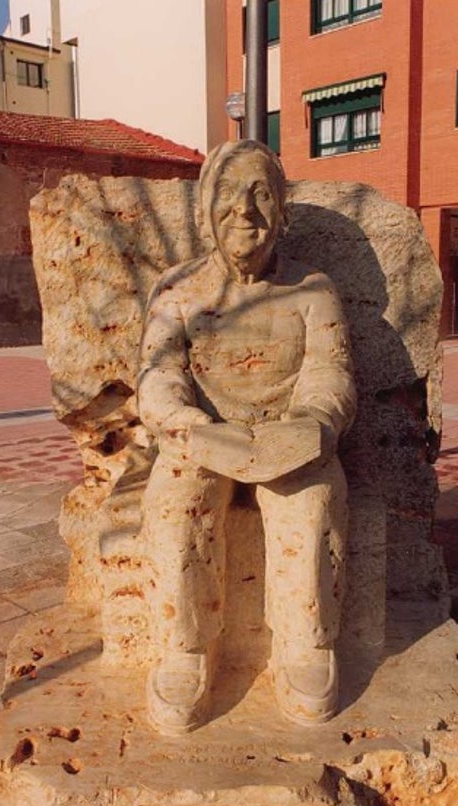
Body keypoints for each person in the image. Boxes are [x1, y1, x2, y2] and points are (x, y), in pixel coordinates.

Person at [137, 140, 356, 734]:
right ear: (206, 208)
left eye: (261, 194)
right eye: (230, 195)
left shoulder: (313, 291)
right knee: (177, 501)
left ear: (281, 211)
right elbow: (158, 376)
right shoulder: (178, 292)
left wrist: (314, 422)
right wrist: (185, 424)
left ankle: (304, 643)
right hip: (204, 438)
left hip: (288, 438)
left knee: (309, 503)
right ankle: (185, 648)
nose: (245, 210)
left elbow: (330, 372)